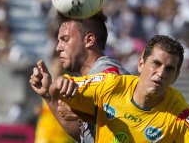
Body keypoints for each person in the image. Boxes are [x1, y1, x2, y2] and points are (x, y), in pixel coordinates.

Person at [30, 35, 189, 142]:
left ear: (176, 76)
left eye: (169, 69)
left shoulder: (181, 116)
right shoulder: (112, 85)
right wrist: (54, 87)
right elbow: (69, 84)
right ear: (141, 64)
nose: (160, 74)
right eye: (156, 64)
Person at [34, 10, 129, 143]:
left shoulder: (108, 71)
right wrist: (49, 97)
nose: (58, 48)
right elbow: (84, 136)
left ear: (89, 40)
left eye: (65, 40)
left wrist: (82, 112)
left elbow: (129, 120)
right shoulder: (92, 77)